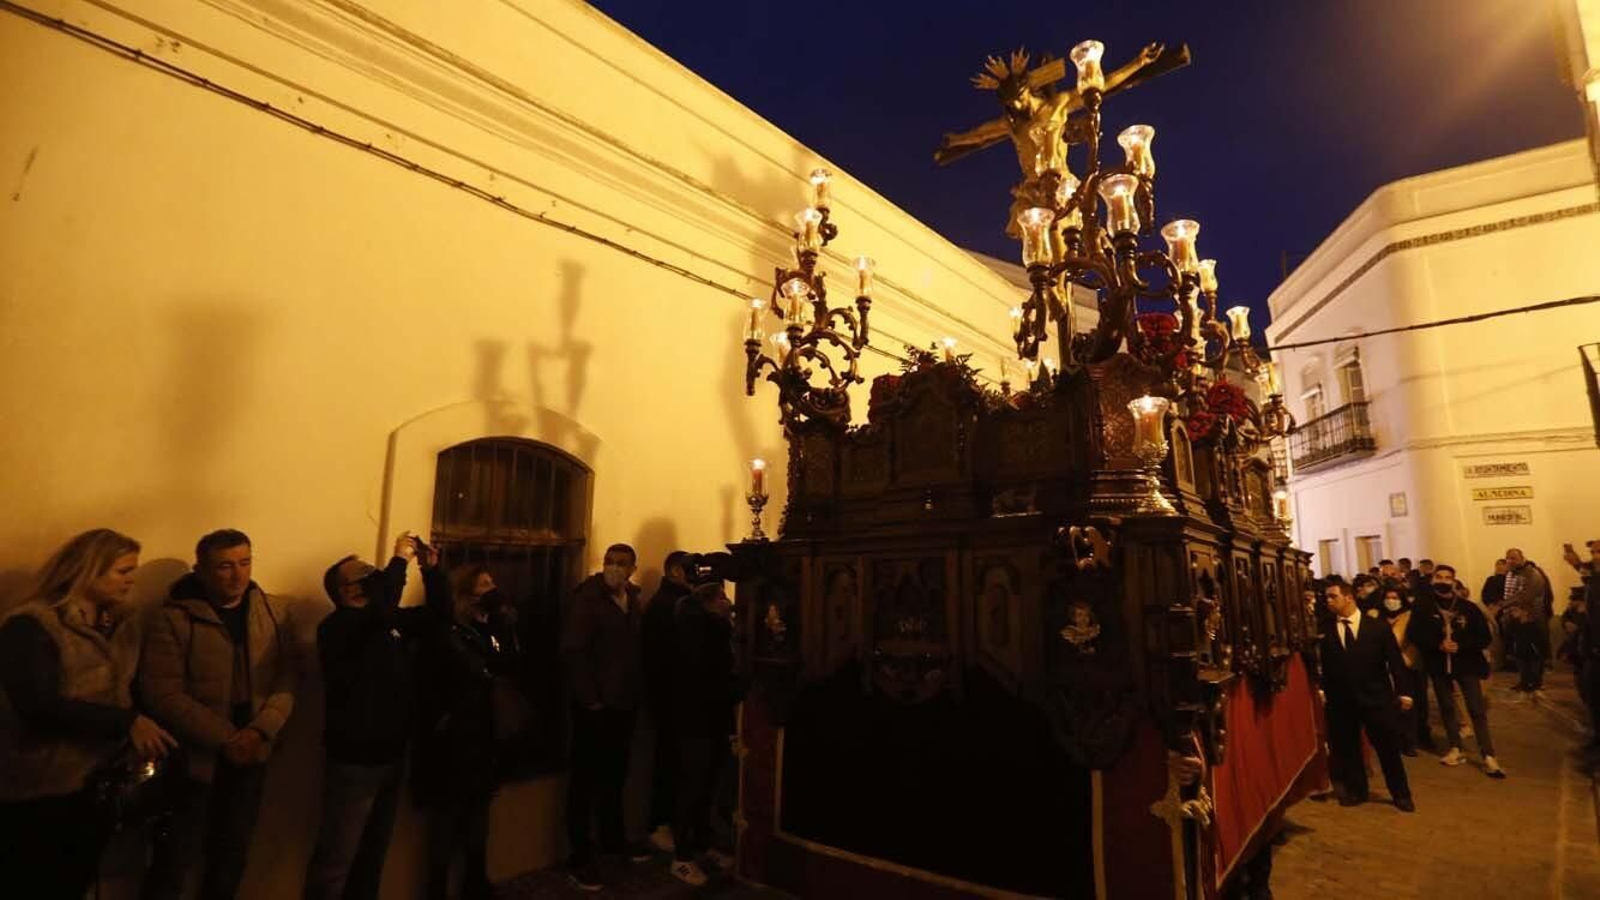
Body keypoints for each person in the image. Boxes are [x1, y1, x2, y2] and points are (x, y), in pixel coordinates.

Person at [0, 529, 178, 899]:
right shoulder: (32, 625)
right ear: (88, 570)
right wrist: (126, 723)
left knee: (76, 880)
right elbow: (37, 705)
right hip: (39, 784)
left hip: (95, 784)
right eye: (122, 571)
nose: (132, 580)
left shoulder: (123, 625)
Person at [140, 529, 300, 900]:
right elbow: (162, 692)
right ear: (202, 570)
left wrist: (260, 732)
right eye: (225, 566)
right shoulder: (174, 618)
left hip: (252, 756)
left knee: (231, 858)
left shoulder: (273, 611)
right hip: (193, 758)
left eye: (245, 563)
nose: (238, 574)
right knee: (173, 860)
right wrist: (228, 738)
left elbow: (289, 677)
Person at [304, 535, 448, 900]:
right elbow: (380, 611)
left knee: (373, 855)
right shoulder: (337, 628)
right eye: (366, 574)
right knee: (336, 859)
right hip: (355, 760)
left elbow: (439, 618)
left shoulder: (386, 620)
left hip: (393, 754)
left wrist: (431, 572)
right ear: (345, 590)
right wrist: (397, 561)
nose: (375, 577)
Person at [413, 560, 517, 900]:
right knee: (448, 816)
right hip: (455, 736)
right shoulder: (448, 630)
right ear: (464, 593)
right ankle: (437, 888)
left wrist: (499, 621)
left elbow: (508, 664)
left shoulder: (487, 628)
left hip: (483, 733)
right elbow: (469, 671)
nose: (491, 591)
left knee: (478, 813)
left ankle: (476, 881)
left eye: (492, 584)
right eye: (484, 585)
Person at [562, 543, 649, 892]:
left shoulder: (632, 600)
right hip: (594, 706)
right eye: (609, 562)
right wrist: (590, 699)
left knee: (615, 775)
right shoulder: (588, 600)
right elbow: (573, 652)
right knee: (584, 781)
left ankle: (612, 840)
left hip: (622, 704)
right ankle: (579, 856)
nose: (614, 568)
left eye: (622, 563)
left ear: (632, 568)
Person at [667, 580, 740, 887]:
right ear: (709, 601)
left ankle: (702, 845)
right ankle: (681, 857)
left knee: (706, 784)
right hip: (696, 719)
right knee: (692, 785)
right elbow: (707, 674)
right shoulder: (698, 629)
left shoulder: (708, 627)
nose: (728, 602)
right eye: (722, 596)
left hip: (709, 718)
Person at [1317, 581, 1414, 811]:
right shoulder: (1325, 628)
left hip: (1376, 699)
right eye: (1327, 597)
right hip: (1342, 701)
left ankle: (1401, 794)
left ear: (1349, 597)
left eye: (1333, 596)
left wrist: (1404, 692)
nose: (1328, 601)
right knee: (1348, 749)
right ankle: (1357, 791)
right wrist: (1322, 689)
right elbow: (1324, 664)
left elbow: (1395, 662)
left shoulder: (1377, 628)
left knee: (1387, 749)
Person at [1408, 564, 1504, 778]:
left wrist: (1461, 645)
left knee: (1476, 709)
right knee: (1447, 707)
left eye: (1447, 577)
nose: (1443, 581)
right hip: (1439, 665)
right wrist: (1437, 645)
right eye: (1439, 577)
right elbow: (1415, 634)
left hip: (1466, 664)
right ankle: (1455, 747)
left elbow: (1483, 637)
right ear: (1433, 580)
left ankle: (1488, 754)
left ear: (1453, 580)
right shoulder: (1423, 607)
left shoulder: (1468, 608)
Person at [641, 551, 694, 855]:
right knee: (668, 763)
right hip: (670, 696)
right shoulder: (667, 605)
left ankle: (672, 823)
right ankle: (659, 823)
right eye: (690, 570)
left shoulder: (679, 603)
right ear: (675, 571)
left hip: (675, 695)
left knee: (678, 764)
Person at [1376, 586, 1423, 756]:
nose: (1391, 601)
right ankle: (1391, 739)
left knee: (1407, 704)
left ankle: (1409, 741)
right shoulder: (1375, 616)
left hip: (1405, 665)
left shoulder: (1409, 617)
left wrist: (1405, 659)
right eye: (1388, 597)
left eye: (1395, 597)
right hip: (1381, 666)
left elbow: (1414, 640)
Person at [1502, 548, 1550, 697]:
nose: (1510, 561)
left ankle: (1535, 683)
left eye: (1513, 558)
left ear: (1523, 558)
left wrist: (1501, 605)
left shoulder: (1532, 573)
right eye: (1508, 558)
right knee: (1521, 652)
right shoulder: (1511, 573)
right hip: (1515, 618)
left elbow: (1526, 596)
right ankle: (1524, 681)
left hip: (1531, 619)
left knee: (1534, 652)